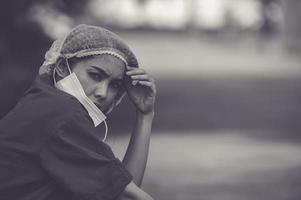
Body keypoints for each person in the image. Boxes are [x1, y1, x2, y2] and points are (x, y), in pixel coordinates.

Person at [0, 24, 156, 200]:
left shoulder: (44, 100)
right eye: (95, 75)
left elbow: (120, 188)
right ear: (62, 67)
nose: (102, 93)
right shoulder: (61, 112)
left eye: (114, 85)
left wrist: (145, 115)